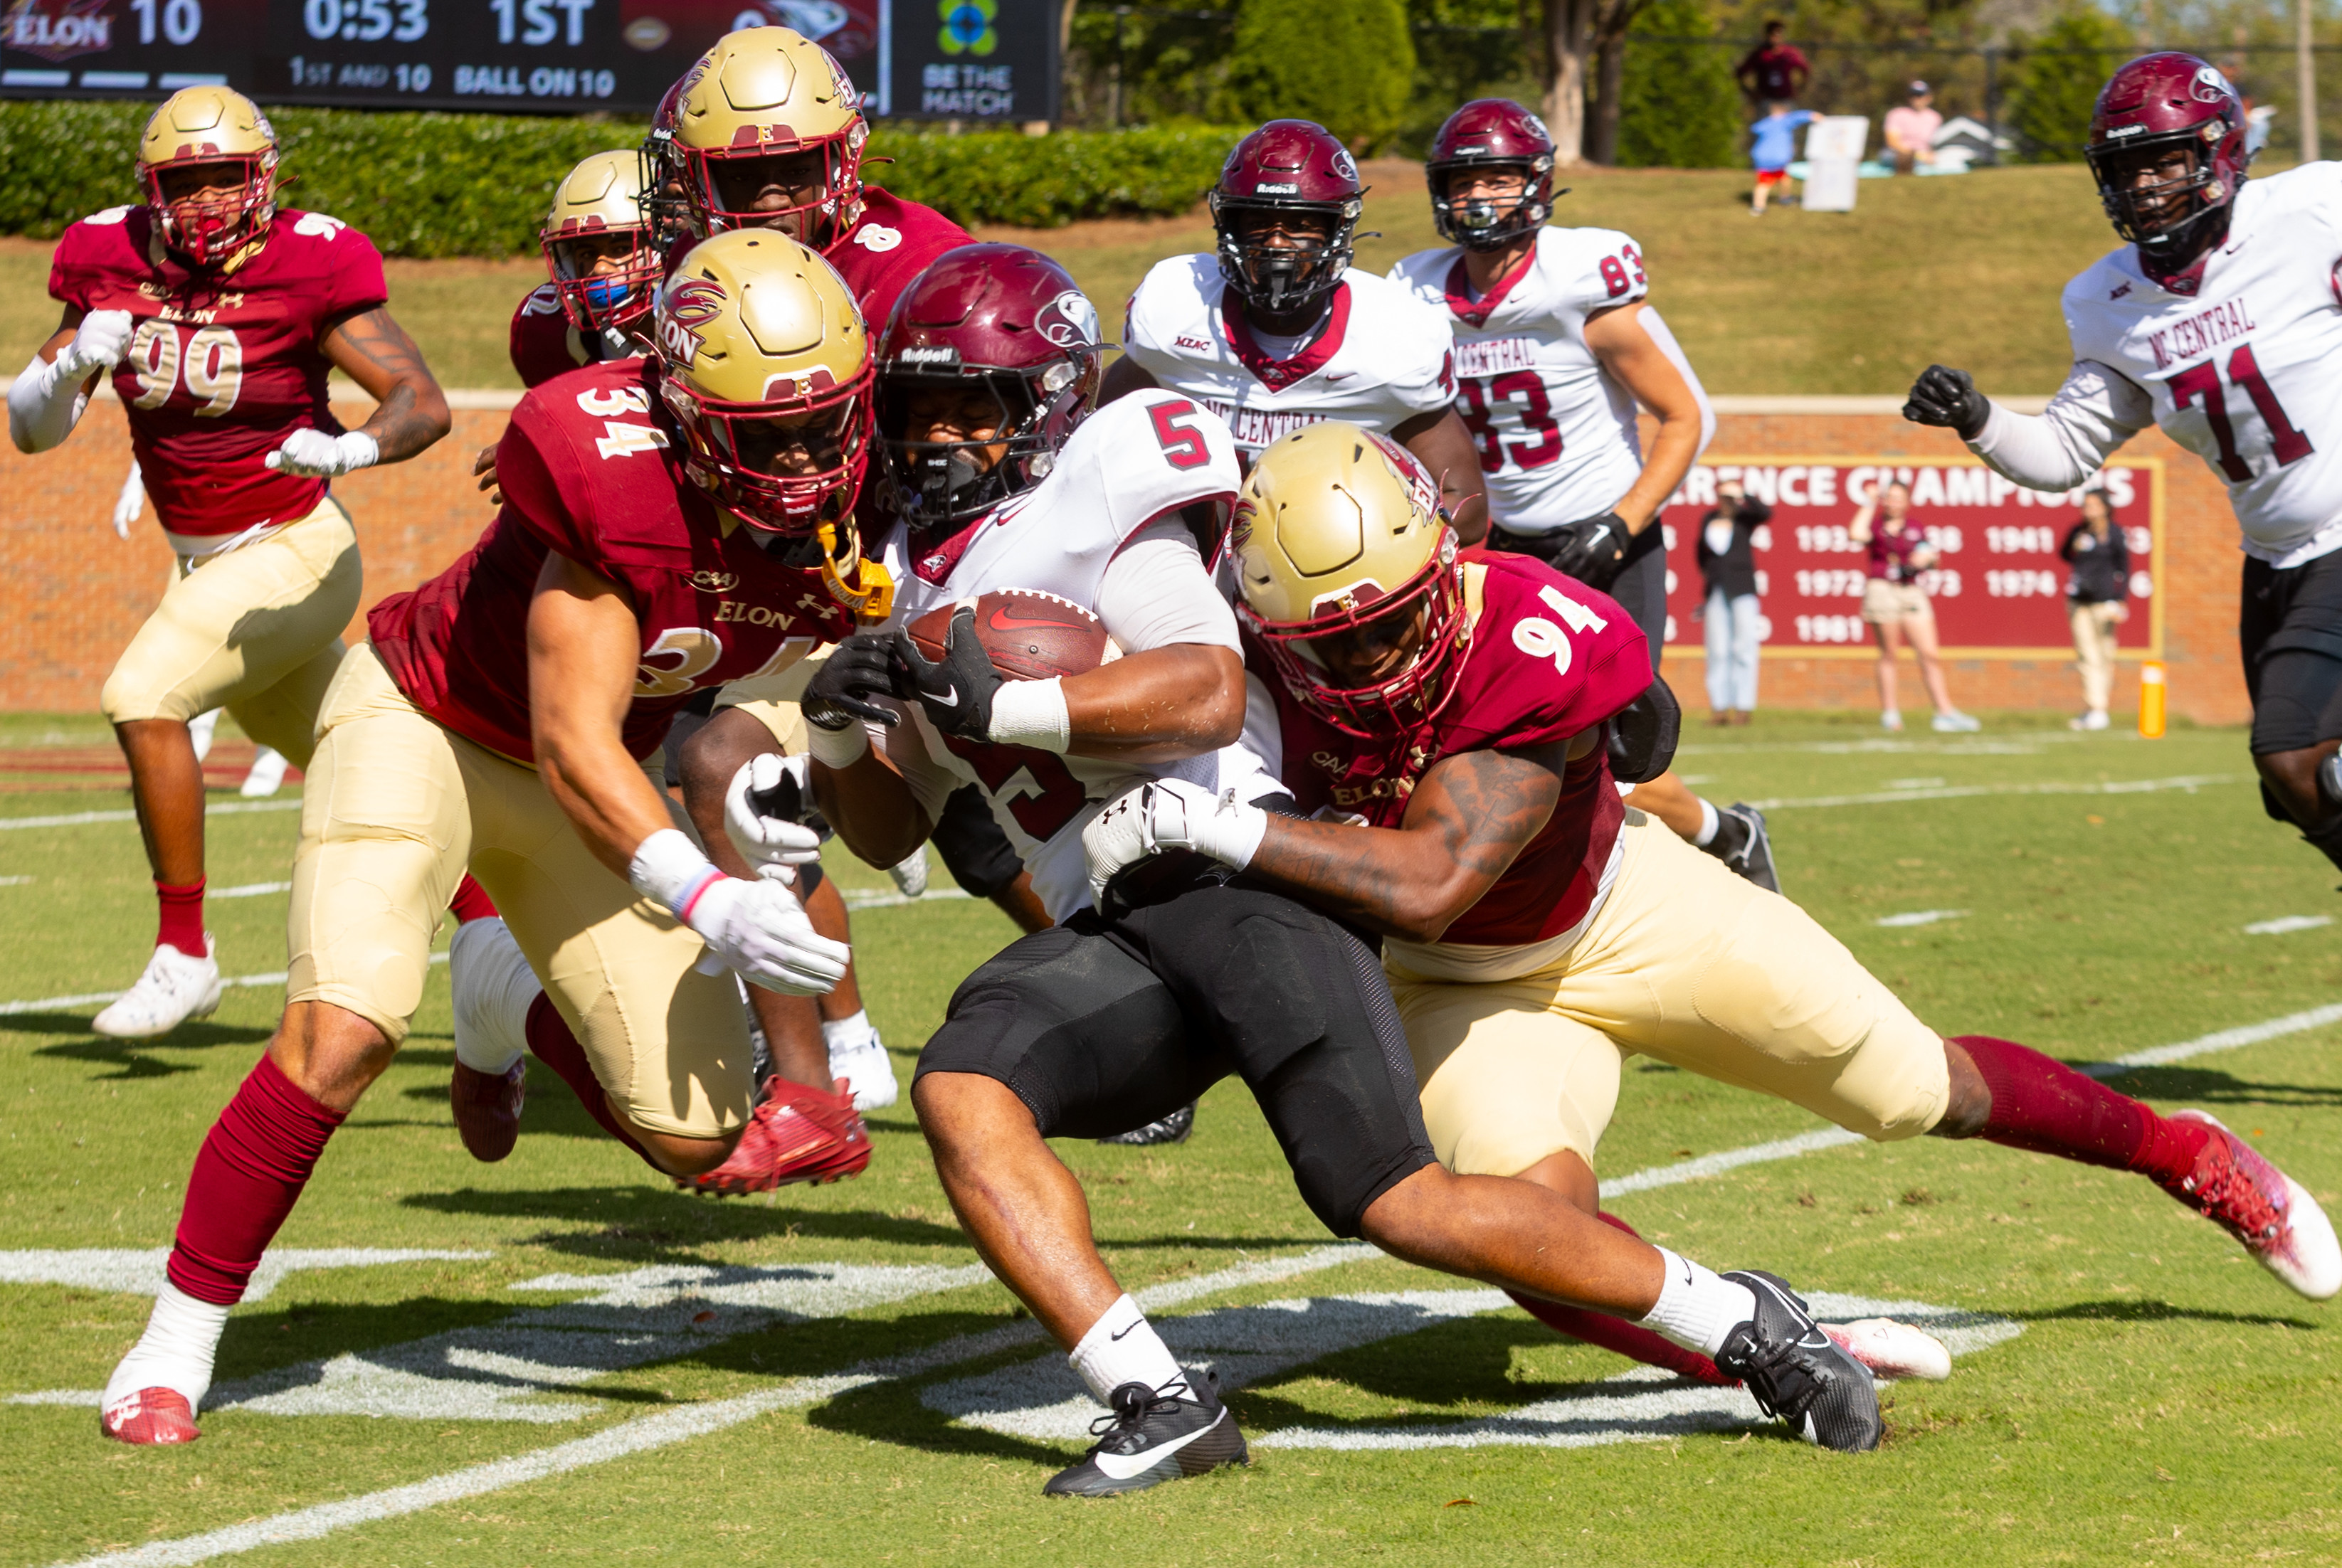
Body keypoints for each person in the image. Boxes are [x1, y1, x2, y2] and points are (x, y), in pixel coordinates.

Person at [764, 260, 1889, 1487]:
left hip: (1237, 879)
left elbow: (1204, 685)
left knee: (1400, 1204)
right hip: (1113, 910)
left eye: (972, 408)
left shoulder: (1098, 495)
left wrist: (1016, 700)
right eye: (920, 410)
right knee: (965, 1085)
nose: (940, 438)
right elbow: (880, 832)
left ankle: (1740, 1320)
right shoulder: (894, 567)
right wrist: (836, 727)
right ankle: (1159, 1398)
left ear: (1043, 400)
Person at [1082, 422, 2339, 1395]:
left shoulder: (1527, 627)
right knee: (1521, 1231)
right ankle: (1770, 1346)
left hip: (1629, 906)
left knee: (1915, 1088)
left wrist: (1219, 823)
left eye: (1393, 621)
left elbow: (1430, 874)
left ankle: (2181, 1151)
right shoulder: (1242, 676)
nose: (1369, 662)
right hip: (1458, 984)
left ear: (1440, 562)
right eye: (1334, 644)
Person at [93, 231, 866, 1446]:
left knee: (694, 1135)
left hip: (582, 786)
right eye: (768, 433)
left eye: (827, 421)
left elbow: (791, 695)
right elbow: (573, 739)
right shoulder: (609, 464)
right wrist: (714, 900)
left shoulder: (864, 511)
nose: (807, 458)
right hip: (429, 724)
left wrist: (779, 820)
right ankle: (175, 1340)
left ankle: (499, 985)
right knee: (340, 1030)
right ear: (684, 406)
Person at [9, 85, 452, 1039]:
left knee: (142, 696)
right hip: (203, 564)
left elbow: (421, 398)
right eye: (187, 182)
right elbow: (31, 434)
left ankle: (185, 953)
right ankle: (494, 930)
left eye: (225, 179)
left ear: (264, 179)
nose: (208, 200)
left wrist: (353, 449)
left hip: (296, 543)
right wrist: (71, 365)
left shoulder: (312, 260)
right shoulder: (103, 254)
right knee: (360, 753)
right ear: (150, 187)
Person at [1903, 53, 2342, 876]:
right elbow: (2068, 449)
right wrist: (1977, 416)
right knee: (2294, 785)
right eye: (2126, 168)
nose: (2144, 186)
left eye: (2163, 160)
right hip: (2275, 558)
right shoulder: (2107, 301)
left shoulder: (2314, 211)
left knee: (2293, 753)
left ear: (2219, 151)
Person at [1390, 99, 1776, 892]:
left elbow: (1684, 415)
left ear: (1537, 187)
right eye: (1465, 182)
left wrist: (1619, 525)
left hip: (1606, 539)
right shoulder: (1417, 295)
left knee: (1620, 756)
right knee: (1476, 739)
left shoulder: (1578, 280)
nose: (1480, 199)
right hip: (1500, 551)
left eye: (1498, 179)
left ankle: (1726, 835)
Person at [1105, 117, 1489, 543]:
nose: (1277, 244)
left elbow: (1465, 503)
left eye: (1301, 224)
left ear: (1337, 230)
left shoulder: (1396, 339)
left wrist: (1384, 543)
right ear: (1227, 224)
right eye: (1258, 221)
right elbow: (1096, 444)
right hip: (1188, 554)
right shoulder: (1173, 314)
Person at [1850, 477, 1976, 732]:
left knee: (1930, 654)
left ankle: (1944, 713)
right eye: (1890, 497)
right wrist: (1869, 501)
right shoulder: (1875, 526)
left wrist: (1925, 560)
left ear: (1907, 502)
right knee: (1890, 654)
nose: (1893, 502)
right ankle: (1890, 714)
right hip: (1883, 590)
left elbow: (1934, 560)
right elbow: (1855, 533)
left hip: (1912, 591)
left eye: (1899, 498)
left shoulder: (1916, 528)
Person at [1697, 477, 1768, 724]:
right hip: (1717, 588)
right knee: (1717, 649)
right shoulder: (1709, 519)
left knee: (1744, 647)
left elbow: (1765, 512)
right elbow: (1701, 553)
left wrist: (1743, 495)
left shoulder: (1744, 519)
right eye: (1722, 496)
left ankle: (1743, 706)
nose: (1725, 501)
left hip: (1742, 588)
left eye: (1729, 497)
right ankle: (1719, 706)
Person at [2062, 489, 2131, 730]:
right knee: (2086, 656)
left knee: (2104, 656)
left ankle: (2098, 708)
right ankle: (2095, 708)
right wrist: (2075, 546)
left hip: (2104, 602)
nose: (2087, 510)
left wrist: (2120, 599)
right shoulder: (2078, 531)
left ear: (2105, 507)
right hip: (2079, 601)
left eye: (2092, 505)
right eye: (2085, 505)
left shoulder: (2114, 534)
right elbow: (2063, 554)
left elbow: (2124, 568)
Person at [1749, 100, 1818, 216]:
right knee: (1766, 183)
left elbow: (1755, 128)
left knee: (1782, 178)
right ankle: (1760, 206)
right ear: (1784, 112)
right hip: (1777, 159)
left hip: (1761, 158)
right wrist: (1815, 116)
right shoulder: (1785, 120)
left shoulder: (1765, 123)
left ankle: (1776, 200)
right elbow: (1801, 117)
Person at [1735, 19, 1810, 106]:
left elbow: (1806, 69)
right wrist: (1750, 93)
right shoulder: (1759, 54)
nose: (1775, 35)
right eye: (1772, 32)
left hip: (1786, 100)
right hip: (1766, 101)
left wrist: (1800, 89)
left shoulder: (1790, 53)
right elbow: (1740, 74)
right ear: (1767, 34)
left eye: (1778, 32)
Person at [1884, 81, 1942, 175]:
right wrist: (1916, 155)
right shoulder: (1896, 114)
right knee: (1900, 159)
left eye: (1920, 96)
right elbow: (1892, 142)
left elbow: (1935, 143)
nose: (1916, 99)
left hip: (1925, 156)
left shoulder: (1935, 118)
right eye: (1912, 96)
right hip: (1899, 154)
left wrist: (1930, 155)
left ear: (1929, 98)